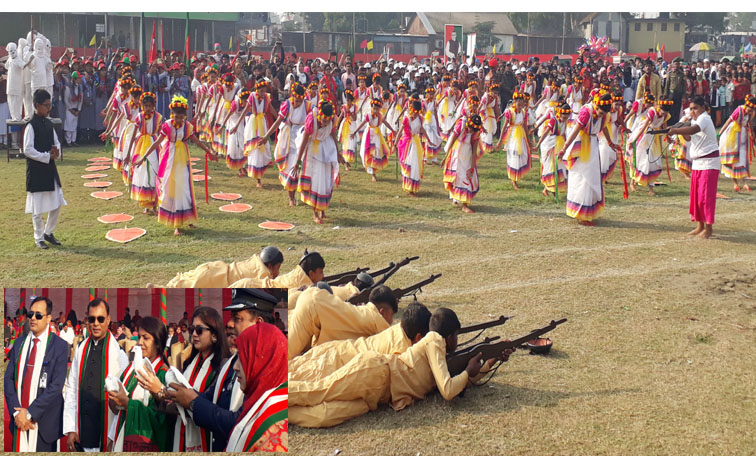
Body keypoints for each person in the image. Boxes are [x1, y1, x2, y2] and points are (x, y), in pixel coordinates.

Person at [288, 307, 507, 428]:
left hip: (377, 398)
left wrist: (489, 363)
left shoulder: (438, 353)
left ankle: (280, 412)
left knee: (326, 416)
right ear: (448, 336)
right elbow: (448, 390)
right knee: (318, 391)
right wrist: (468, 371)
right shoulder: (433, 341)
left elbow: (456, 381)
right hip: (374, 372)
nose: (457, 341)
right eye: (456, 336)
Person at [169, 289, 278, 451]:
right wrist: (176, 395)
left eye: (238, 319)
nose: (230, 324)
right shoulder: (234, 361)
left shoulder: (269, 364)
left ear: (259, 323)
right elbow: (210, 398)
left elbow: (241, 422)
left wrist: (193, 401)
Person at [289, 301, 431, 382]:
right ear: (418, 337)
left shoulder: (397, 330)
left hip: (336, 349)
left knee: (291, 368)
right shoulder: (401, 351)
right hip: (334, 364)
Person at [138, 95, 216, 236]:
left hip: (182, 159)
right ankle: (176, 224)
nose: (179, 120)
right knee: (171, 188)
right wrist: (143, 157)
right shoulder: (167, 126)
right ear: (171, 115)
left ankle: (189, 218)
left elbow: (196, 141)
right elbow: (156, 143)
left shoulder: (187, 127)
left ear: (185, 116)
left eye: (181, 117)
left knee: (185, 188)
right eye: (176, 117)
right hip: (169, 159)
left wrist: (209, 151)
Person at [4, 296, 69, 451]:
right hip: (19, 421)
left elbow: (56, 386)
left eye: (38, 315)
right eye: (30, 314)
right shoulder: (19, 344)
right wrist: (17, 414)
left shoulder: (60, 346)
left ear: (48, 318)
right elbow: (8, 379)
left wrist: (30, 413)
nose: (33, 318)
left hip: (45, 426)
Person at [63, 298, 129, 452]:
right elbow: (71, 388)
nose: (96, 323)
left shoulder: (119, 355)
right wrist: (71, 428)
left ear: (108, 320)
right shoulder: (81, 349)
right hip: (82, 431)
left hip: (106, 435)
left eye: (100, 319)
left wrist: (113, 436)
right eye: (92, 319)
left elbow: (123, 402)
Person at [108, 316, 174, 451]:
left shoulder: (164, 375)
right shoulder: (131, 370)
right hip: (122, 435)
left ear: (157, 342)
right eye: (139, 337)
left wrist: (128, 404)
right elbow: (116, 409)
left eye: (146, 338)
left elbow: (164, 420)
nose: (140, 342)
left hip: (146, 442)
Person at [172, 306, 229, 452]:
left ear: (215, 335)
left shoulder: (223, 366)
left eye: (199, 330)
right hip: (184, 434)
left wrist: (187, 399)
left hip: (209, 438)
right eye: (192, 330)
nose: (194, 335)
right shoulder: (190, 363)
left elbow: (211, 405)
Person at [225, 323, 288, 452]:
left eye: (243, 359)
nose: (235, 367)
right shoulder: (257, 399)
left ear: (263, 361)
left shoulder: (275, 428)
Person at [288, 285, 397, 360]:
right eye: (391, 315)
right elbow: (391, 339)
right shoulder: (377, 322)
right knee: (287, 356)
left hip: (313, 300)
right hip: (313, 306)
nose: (391, 321)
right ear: (382, 312)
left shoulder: (366, 311)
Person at [559, 92, 620, 226]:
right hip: (581, 145)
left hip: (593, 145)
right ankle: (581, 214)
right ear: (596, 106)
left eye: (603, 114)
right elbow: (576, 130)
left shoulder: (604, 116)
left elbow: (604, 128)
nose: (600, 115)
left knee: (592, 177)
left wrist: (610, 143)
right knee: (582, 178)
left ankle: (588, 212)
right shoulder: (586, 112)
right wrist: (564, 148)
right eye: (599, 112)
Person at [667, 96, 720, 239]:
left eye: (695, 108)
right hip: (697, 162)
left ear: (703, 107)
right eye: (690, 109)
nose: (692, 111)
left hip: (709, 162)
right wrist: (679, 128)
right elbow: (690, 137)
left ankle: (708, 228)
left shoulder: (704, 118)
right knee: (696, 197)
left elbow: (692, 130)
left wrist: (676, 130)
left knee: (705, 197)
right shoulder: (695, 119)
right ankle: (700, 225)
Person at [23, 89, 66, 250]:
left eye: (50, 105)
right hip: (36, 169)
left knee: (57, 202)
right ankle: (38, 237)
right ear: (37, 106)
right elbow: (27, 149)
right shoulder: (30, 125)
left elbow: (57, 142)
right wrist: (45, 156)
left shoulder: (49, 123)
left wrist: (56, 152)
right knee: (37, 207)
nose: (49, 108)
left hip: (50, 168)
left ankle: (49, 232)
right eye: (46, 105)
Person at [263, 83, 311, 205]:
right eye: (297, 99)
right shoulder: (287, 105)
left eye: (301, 100)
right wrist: (266, 136)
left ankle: (304, 193)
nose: (299, 102)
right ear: (292, 96)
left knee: (302, 166)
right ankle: (291, 197)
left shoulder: (307, 106)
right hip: (288, 138)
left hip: (302, 137)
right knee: (290, 167)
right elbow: (278, 122)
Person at [294, 100, 341, 224]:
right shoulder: (312, 120)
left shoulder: (332, 121)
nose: (325, 124)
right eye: (324, 121)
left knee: (325, 181)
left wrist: (338, 153)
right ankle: (315, 213)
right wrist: (298, 161)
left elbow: (333, 136)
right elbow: (304, 140)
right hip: (313, 152)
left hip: (327, 151)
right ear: (320, 115)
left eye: (327, 122)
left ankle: (322, 210)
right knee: (315, 181)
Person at [164, 246, 284, 288]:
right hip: (216, 280)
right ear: (269, 265)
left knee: (184, 279)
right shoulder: (263, 274)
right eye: (277, 268)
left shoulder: (255, 260)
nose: (278, 272)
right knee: (185, 287)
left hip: (213, 268)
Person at [127, 92, 163, 214]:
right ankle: (146, 204)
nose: (148, 108)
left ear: (153, 106)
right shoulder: (139, 117)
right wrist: (128, 153)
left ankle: (154, 204)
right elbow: (133, 135)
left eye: (150, 106)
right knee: (142, 173)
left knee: (154, 172)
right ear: (142, 106)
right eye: (145, 105)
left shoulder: (158, 117)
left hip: (154, 145)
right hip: (141, 145)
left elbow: (161, 133)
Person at [629, 97, 673, 195]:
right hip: (644, 136)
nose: (662, 114)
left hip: (654, 139)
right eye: (662, 112)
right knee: (640, 159)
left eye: (665, 113)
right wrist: (635, 139)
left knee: (653, 162)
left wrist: (668, 137)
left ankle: (651, 188)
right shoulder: (652, 112)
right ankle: (632, 182)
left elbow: (665, 127)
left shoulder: (665, 116)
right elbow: (644, 126)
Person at [443, 113, 483, 213]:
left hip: (467, 156)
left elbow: (474, 151)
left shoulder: (475, 133)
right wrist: (446, 157)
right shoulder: (460, 125)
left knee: (467, 177)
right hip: (457, 154)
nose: (471, 131)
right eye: (470, 128)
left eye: (473, 130)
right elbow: (452, 141)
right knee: (457, 177)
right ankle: (455, 198)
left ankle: (465, 204)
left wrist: (472, 167)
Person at [718, 94, 754, 192]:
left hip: (742, 137)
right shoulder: (739, 110)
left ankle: (745, 183)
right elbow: (728, 121)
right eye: (749, 110)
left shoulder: (751, 113)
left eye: (752, 111)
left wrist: (751, 132)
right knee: (734, 160)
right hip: (732, 137)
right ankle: (735, 184)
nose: (750, 112)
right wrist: (720, 134)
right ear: (746, 106)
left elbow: (749, 122)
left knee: (742, 160)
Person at [497, 90, 532, 190]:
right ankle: (514, 180)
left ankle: (517, 175)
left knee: (522, 154)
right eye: (518, 101)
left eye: (522, 102)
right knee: (514, 155)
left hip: (520, 135)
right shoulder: (510, 112)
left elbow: (525, 126)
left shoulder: (524, 112)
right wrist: (500, 140)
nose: (520, 104)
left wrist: (528, 140)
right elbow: (504, 127)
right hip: (512, 135)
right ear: (514, 101)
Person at [354, 98, 393, 182]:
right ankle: (372, 173)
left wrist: (393, 130)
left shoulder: (380, 116)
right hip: (369, 135)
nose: (375, 110)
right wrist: (355, 131)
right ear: (371, 107)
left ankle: (374, 169)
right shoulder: (369, 115)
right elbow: (362, 123)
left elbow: (385, 123)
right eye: (374, 108)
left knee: (377, 152)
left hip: (377, 135)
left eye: (377, 109)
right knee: (369, 152)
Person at [534, 103, 570, 197]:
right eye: (564, 117)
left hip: (559, 145)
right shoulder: (554, 120)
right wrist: (538, 145)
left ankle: (548, 189)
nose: (565, 118)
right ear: (560, 114)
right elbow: (545, 133)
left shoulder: (564, 122)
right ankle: (550, 190)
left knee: (559, 168)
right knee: (551, 167)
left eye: (567, 117)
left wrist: (567, 144)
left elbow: (563, 134)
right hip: (550, 144)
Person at [395, 99, 427, 196]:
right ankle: (408, 187)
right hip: (406, 144)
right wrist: (395, 144)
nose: (416, 115)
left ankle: (413, 188)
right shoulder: (406, 119)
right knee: (408, 164)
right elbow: (400, 132)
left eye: (417, 113)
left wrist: (429, 140)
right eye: (415, 113)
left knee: (415, 165)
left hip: (416, 143)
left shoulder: (420, 119)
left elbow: (422, 130)